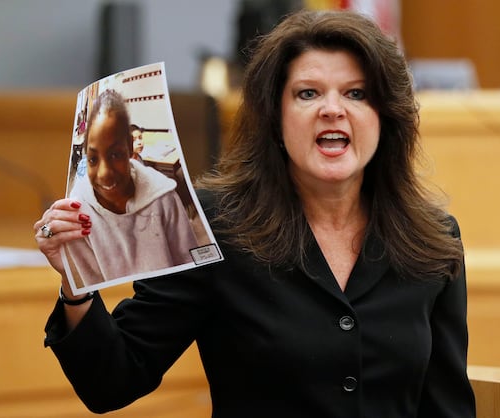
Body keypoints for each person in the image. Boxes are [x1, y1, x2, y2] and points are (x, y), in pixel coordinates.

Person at [34, 9, 476, 417]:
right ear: (275, 117)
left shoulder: (432, 238)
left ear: (385, 116)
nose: (332, 109)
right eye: (308, 93)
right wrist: (78, 287)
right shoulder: (214, 225)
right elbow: (114, 381)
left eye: (357, 94)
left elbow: (447, 405)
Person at [60, 89, 198, 287]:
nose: (104, 173)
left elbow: (191, 268)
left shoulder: (163, 198)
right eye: (93, 159)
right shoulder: (78, 211)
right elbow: (84, 293)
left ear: (130, 147)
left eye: (115, 155)